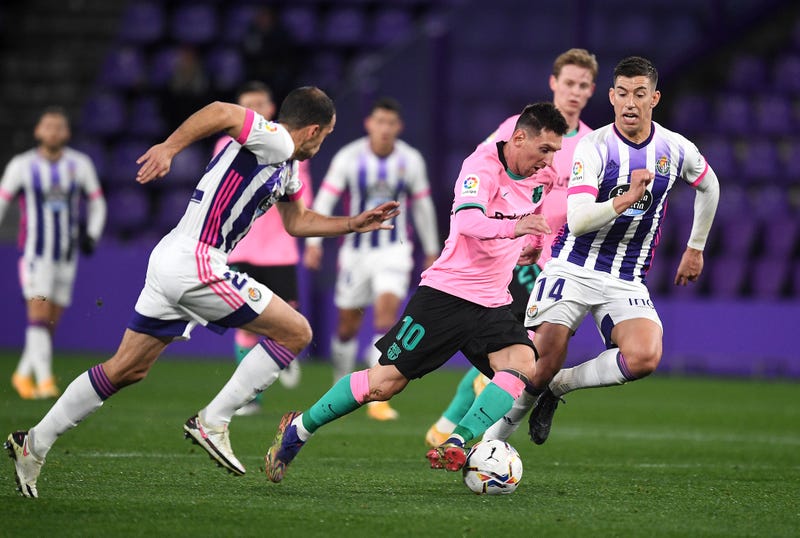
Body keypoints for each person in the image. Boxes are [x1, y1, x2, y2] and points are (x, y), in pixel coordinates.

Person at [5, 86, 401, 499]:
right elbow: (220, 111)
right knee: (296, 332)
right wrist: (168, 148)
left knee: (126, 369)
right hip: (197, 260)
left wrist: (352, 223)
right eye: (326, 135)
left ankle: (33, 443)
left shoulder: (287, 167)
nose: (322, 145)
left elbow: (298, 221)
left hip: (172, 258)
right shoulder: (275, 138)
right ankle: (214, 420)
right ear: (313, 129)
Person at [265, 102, 569, 483]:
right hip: (446, 296)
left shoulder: (543, 176)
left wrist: (535, 244)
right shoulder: (481, 167)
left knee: (523, 364)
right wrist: (516, 229)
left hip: (492, 300)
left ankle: (456, 439)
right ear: (519, 137)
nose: (549, 159)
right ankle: (298, 429)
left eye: (556, 151)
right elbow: (468, 220)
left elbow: (538, 215)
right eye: (545, 149)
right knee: (383, 385)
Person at [490, 56, 720, 446]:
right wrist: (628, 197)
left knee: (644, 357)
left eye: (640, 94)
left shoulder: (674, 147)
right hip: (571, 268)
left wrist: (695, 248)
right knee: (540, 362)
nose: (631, 103)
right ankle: (491, 441)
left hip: (624, 276)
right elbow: (578, 221)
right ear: (612, 97)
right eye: (623, 94)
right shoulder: (594, 148)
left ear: (655, 98)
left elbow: (710, 185)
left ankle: (561, 387)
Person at [424, 47, 598, 447]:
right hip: (519, 252)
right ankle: (457, 425)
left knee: (533, 349)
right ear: (554, 83)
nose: (574, 91)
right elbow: (484, 168)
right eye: (568, 83)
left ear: (591, 91)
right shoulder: (514, 128)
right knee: (514, 344)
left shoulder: (593, 144)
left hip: (562, 258)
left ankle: (458, 425)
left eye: (583, 85)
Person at [303, 97, 440, 421]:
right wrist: (313, 243)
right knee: (347, 326)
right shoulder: (350, 157)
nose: (385, 129)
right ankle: (341, 383)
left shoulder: (411, 160)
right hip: (356, 252)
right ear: (369, 124)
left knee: (385, 314)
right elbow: (326, 198)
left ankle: (376, 394)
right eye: (379, 122)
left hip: (395, 251)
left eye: (390, 123)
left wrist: (432, 249)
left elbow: (421, 206)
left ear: (398, 127)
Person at [213, 81, 313, 414]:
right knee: (245, 322)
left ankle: (278, 355)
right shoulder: (224, 146)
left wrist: (311, 241)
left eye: (259, 103)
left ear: (271, 109)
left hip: (280, 250)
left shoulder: (292, 148)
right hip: (241, 249)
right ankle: (249, 397)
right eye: (247, 104)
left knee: (287, 320)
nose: (254, 109)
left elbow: (303, 200)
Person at [0, 107, 107, 400]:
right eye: (48, 126)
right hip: (36, 256)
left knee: (50, 322)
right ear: (38, 131)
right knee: (38, 314)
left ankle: (23, 374)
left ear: (67, 133)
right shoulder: (22, 166)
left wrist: (92, 235)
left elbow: (98, 203)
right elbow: (3, 199)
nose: (54, 132)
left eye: (59, 127)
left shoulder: (79, 164)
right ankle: (46, 383)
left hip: (66, 256)